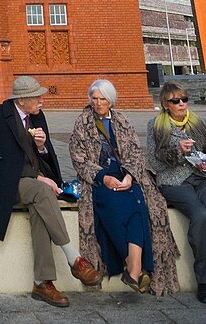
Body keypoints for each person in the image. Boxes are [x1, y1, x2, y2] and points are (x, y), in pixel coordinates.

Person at [0, 75, 101, 308]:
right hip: (7, 184)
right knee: (41, 191)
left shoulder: (37, 117)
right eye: (37, 97)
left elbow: (45, 159)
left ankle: (42, 282)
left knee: (40, 206)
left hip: (35, 185)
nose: (42, 101)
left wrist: (41, 146)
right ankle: (74, 257)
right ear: (22, 99)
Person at [69, 78, 178, 297]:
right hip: (100, 179)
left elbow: (136, 153)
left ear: (111, 101)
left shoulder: (122, 120)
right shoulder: (82, 122)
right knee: (112, 205)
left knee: (139, 202)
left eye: (103, 99)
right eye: (95, 98)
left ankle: (134, 269)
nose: (99, 103)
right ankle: (134, 267)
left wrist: (129, 176)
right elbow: (78, 157)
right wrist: (103, 177)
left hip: (126, 176)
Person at [147, 81, 206, 303]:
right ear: (165, 104)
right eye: (175, 101)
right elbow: (154, 162)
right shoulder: (156, 126)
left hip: (200, 178)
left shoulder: (197, 123)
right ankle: (203, 280)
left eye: (184, 99)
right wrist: (178, 152)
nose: (181, 104)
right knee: (200, 215)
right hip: (173, 182)